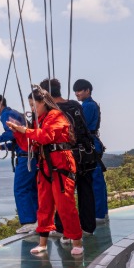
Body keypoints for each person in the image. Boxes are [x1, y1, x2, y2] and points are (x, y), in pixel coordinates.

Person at [7, 86, 84, 256]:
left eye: (34, 105)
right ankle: (43, 242)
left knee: (65, 204)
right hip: (46, 165)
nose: (32, 109)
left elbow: (45, 136)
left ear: (43, 102)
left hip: (61, 164)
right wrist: (19, 133)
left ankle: (76, 241)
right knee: (44, 205)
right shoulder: (39, 121)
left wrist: (24, 130)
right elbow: (31, 143)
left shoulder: (56, 116)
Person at [39, 78, 97, 238]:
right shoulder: (75, 105)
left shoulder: (51, 111)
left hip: (63, 158)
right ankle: (88, 227)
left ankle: (63, 230)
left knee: (63, 195)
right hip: (84, 155)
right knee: (86, 191)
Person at [0, 94, 38, 234]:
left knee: (20, 189)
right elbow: (18, 140)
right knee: (31, 189)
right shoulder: (15, 113)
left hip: (25, 157)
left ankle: (28, 222)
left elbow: (11, 133)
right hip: (31, 155)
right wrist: (2, 147)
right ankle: (38, 220)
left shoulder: (6, 114)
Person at [73, 78, 109, 224]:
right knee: (95, 179)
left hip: (89, 143)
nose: (77, 93)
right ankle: (100, 213)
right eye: (75, 91)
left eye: (80, 90)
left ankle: (99, 214)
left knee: (95, 179)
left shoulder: (87, 106)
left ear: (87, 90)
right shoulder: (89, 105)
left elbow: (82, 127)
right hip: (92, 142)